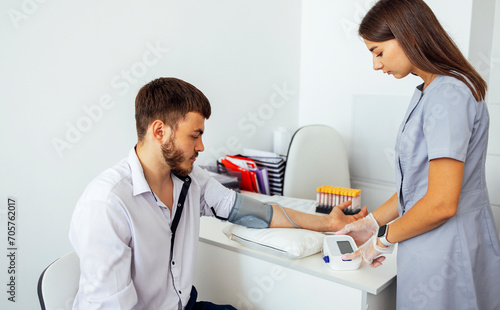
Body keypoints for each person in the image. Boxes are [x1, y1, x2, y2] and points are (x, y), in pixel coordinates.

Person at [69, 77, 368, 310]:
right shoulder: (107, 204)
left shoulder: (190, 180)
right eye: (195, 135)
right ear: (159, 132)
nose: (201, 147)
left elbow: (251, 212)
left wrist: (328, 223)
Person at [336, 0, 500, 310]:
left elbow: (440, 203)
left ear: (407, 36)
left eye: (378, 52)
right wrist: (371, 223)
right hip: (430, 247)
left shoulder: (449, 94)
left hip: (450, 250)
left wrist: (384, 237)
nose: (375, 64)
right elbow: (415, 187)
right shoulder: (429, 90)